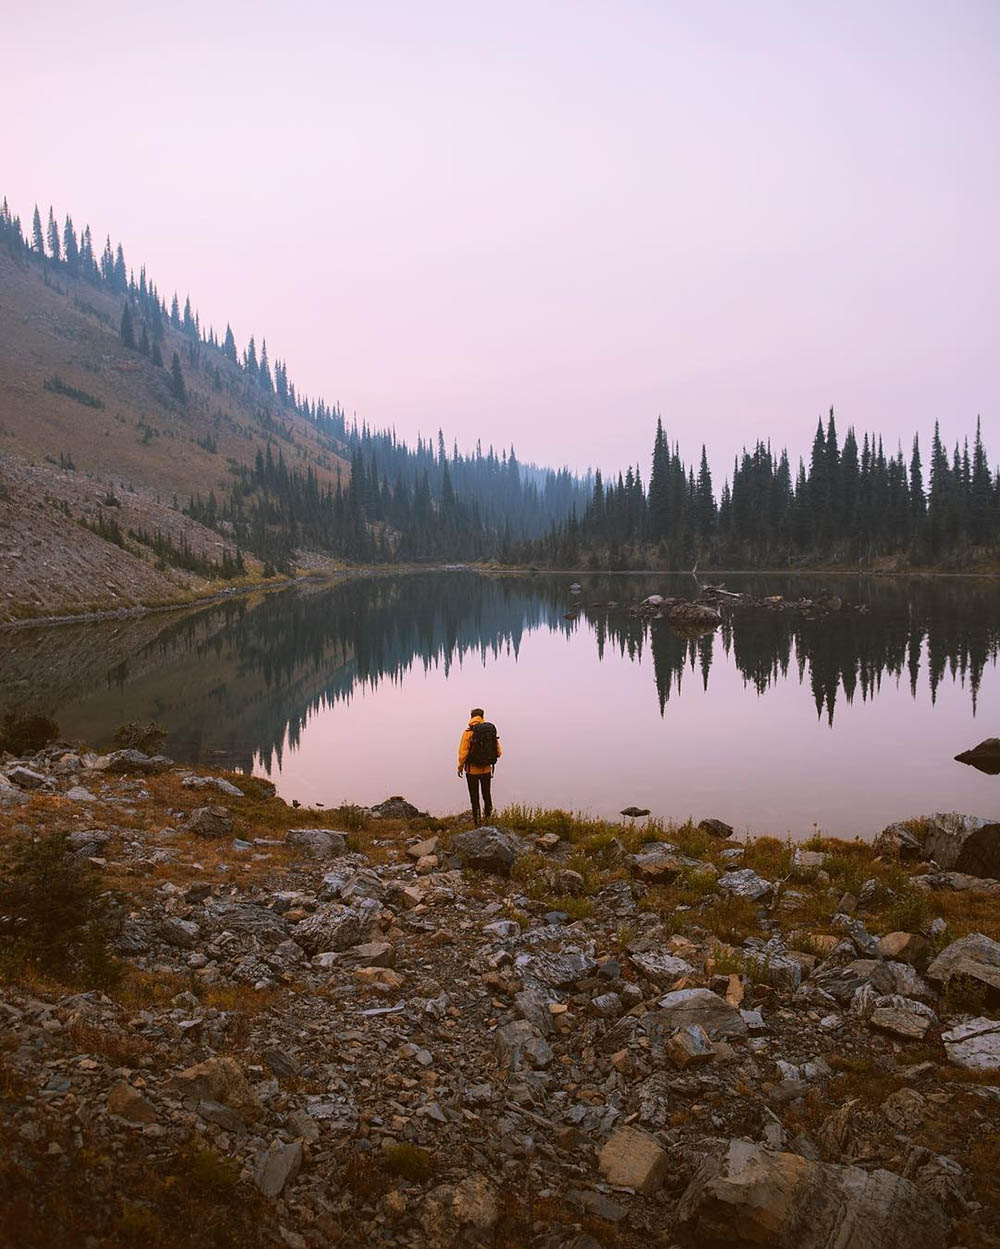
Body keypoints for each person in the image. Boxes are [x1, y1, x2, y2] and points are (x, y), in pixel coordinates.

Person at [457, 707, 501, 825]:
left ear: (471, 717)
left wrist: (460, 767)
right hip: (486, 770)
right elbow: (499, 752)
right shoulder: (489, 732)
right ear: (482, 717)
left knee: (474, 797)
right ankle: (488, 819)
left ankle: (477, 822)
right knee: (486, 795)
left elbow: (463, 753)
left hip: (472, 771)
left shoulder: (467, 733)